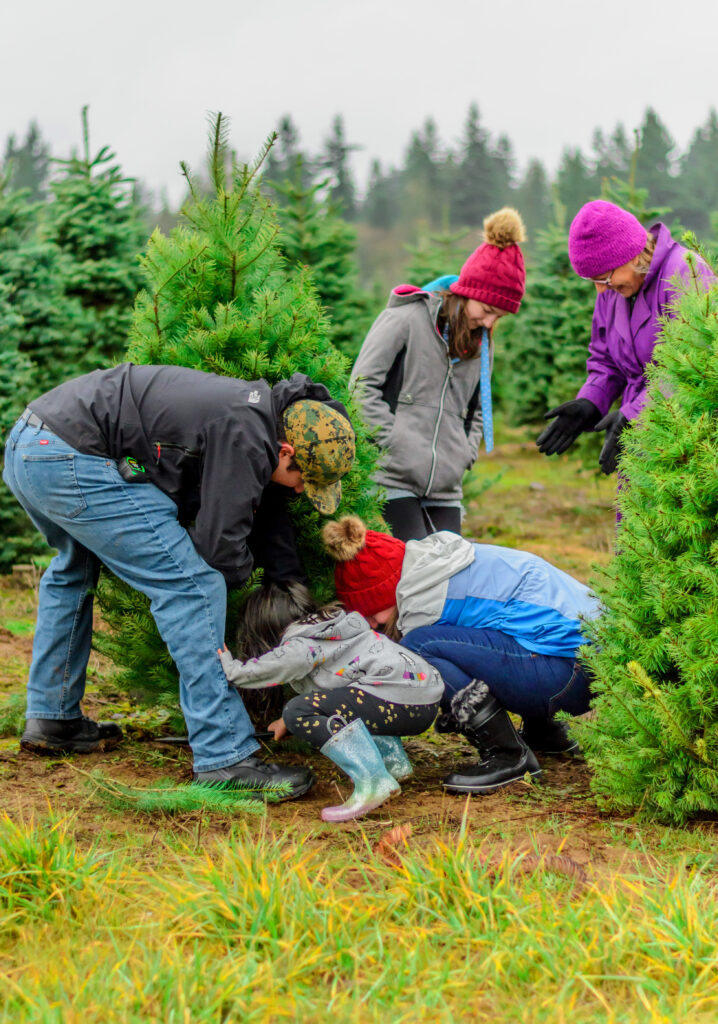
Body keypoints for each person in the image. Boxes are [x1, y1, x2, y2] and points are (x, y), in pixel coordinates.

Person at [3, 362, 355, 800]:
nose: (301, 490)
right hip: (70, 455)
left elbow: (244, 507)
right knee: (192, 587)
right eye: (302, 479)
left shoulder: (256, 412)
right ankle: (224, 754)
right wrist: (247, 590)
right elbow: (218, 548)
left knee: (73, 570)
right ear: (285, 452)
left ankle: (53, 718)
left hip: (33, 444)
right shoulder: (247, 435)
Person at [323, 516, 599, 795]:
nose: (371, 623)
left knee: (417, 648)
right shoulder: (439, 563)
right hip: (590, 664)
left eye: (369, 612)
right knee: (497, 632)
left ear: (385, 593)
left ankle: (508, 755)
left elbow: (412, 678)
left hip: (569, 676)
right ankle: (544, 733)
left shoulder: (424, 602)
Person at [351, 209, 526, 542]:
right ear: (467, 292)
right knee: (414, 571)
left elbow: (476, 411)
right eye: (487, 310)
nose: (490, 323)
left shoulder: (482, 344)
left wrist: (463, 453)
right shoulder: (406, 319)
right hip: (392, 478)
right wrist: (390, 443)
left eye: (499, 317)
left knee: (449, 574)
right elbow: (361, 387)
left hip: (445, 486)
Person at [217, 580, 443, 822]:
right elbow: (340, 693)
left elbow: (270, 668)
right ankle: (392, 763)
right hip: (424, 698)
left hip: (396, 698)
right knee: (355, 698)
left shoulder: (300, 643)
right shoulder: (333, 627)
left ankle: (374, 781)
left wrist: (232, 669)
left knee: (298, 711)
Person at [536, 199, 715, 473]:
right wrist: (591, 401)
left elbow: (694, 362)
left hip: (690, 436)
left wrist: (635, 414)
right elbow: (605, 359)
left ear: (631, 254)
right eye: (593, 281)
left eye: (604, 277)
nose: (600, 290)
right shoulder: (612, 291)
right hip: (638, 439)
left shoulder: (685, 272)